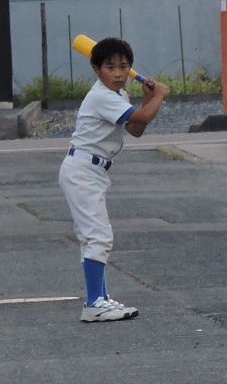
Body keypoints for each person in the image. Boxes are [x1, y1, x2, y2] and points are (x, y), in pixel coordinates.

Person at [59, 37, 168, 322]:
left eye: (124, 66)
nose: (119, 73)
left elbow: (135, 129)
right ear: (97, 69)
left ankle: (101, 298)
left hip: (91, 170)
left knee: (92, 236)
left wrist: (147, 99)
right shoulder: (102, 96)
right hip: (83, 169)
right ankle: (94, 303)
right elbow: (143, 119)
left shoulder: (118, 96)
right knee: (98, 236)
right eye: (110, 67)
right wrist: (158, 97)